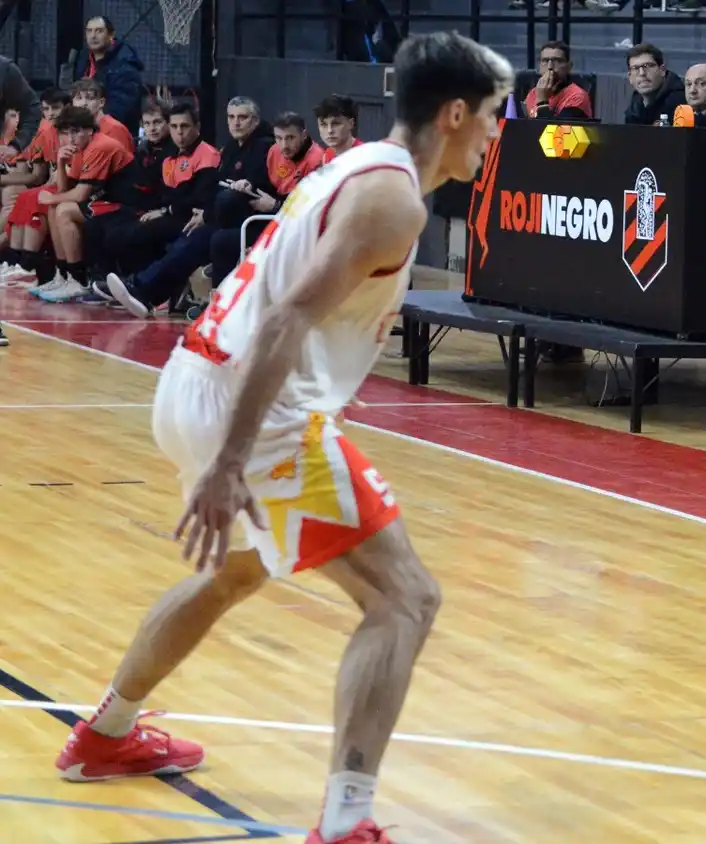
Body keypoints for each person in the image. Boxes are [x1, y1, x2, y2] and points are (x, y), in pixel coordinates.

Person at [52, 32, 515, 844]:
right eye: (489, 116)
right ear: (451, 115)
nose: (494, 132)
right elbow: (289, 317)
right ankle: (346, 824)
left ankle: (107, 733)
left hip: (198, 380)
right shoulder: (394, 201)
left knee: (237, 573)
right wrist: (232, 461)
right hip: (249, 406)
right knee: (405, 599)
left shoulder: (364, 166)